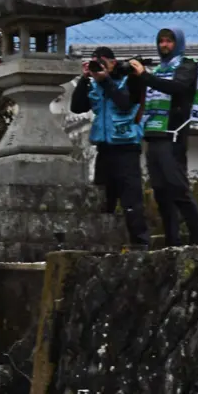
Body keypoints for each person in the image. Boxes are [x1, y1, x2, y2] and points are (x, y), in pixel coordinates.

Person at [70, 47, 150, 248]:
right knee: (103, 201)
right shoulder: (95, 84)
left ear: (113, 62)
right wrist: (84, 79)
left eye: (103, 62)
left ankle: (140, 245)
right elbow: (77, 107)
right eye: (95, 62)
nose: (100, 66)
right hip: (104, 150)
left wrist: (106, 80)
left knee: (131, 201)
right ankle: (102, 244)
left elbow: (124, 103)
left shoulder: (129, 78)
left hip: (126, 149)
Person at [130, 27, 198, 246]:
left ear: (178, 43)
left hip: (173, 134)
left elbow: (176, 87)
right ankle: (172, 243)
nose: (164, 45)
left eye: (169, 41)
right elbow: (134, 96)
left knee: (178, 189)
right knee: (161, 192)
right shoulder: (157, 69)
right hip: (153, 134)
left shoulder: (187, 65)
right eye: (161, 41)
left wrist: (145, 75)